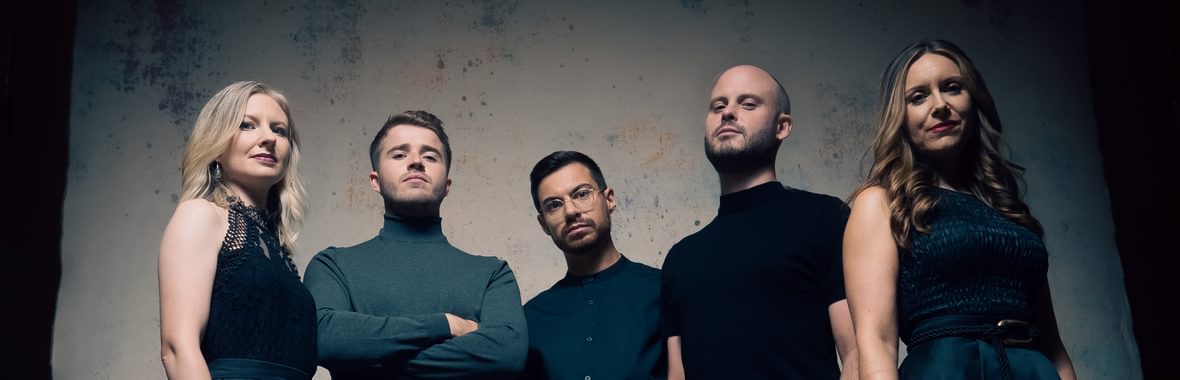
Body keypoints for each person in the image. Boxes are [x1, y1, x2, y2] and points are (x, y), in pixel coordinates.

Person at [843, 39, 1076, 380]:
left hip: (1032, 370)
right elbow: (876, 341)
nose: (940, 105)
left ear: (973, 99)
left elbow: (1053, 345)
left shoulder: (1006, 205)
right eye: (918, 97)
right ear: (900, 116)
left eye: (952, 88)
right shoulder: (880, 201)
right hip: (948, 370)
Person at [660, 65, 858, 379]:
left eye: (748, 104)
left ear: (782, 127)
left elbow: (856, 353)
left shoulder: (825, 218)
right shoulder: (680, 260)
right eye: (718, 106)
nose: (728, 113)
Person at [303, 110, 528, 379]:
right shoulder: (333, 265)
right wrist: (444, 324)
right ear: (375, 181)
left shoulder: (492, 273)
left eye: (430, 156)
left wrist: (372, 360)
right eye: (399, 155)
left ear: (447, 184)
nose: (416, 162)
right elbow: (324, 339)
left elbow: (507, 354)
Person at [158, 81, 315, 379]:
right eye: (247, 125)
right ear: (216, 145)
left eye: (279, 130)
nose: (268, 138)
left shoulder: (276, 245)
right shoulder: (201, 215)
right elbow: (177, 348)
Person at [522, 151, 666, 380]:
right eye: (554, 205)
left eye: (581, 194)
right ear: (544, 224)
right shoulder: (531, 319)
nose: (571, 211)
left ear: (609, 199)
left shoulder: (663, 290)